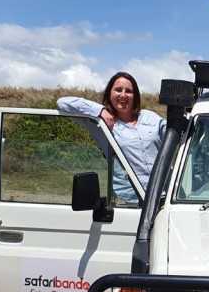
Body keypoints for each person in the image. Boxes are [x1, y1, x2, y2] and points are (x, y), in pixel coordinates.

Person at [57, 71, 164, 203]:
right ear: (109, 93)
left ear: (135, 96)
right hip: (129, 200)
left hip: (162, 195)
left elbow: (176, 135)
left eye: (129, 91)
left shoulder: (151, 117)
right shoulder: (100, 124)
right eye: (118, 90)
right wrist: (100, 110)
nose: (123, 95)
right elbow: (62, 103)